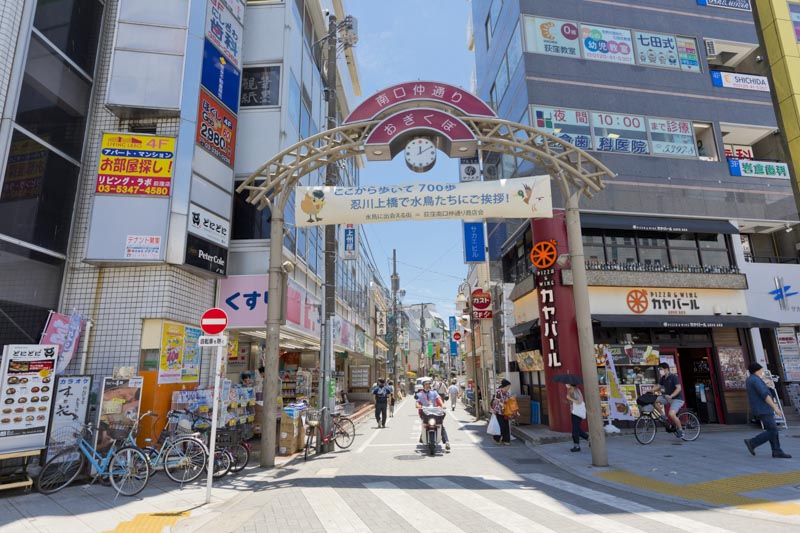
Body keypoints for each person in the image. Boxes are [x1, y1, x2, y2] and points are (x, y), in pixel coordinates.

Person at [744, 363, 791, 458]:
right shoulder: (756, 380)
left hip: (759, 408)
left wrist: (767, 385)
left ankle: (776, 450)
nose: (762, 371)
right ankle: (752, 442)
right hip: (764, 408)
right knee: (773, 430)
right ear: (757, 370)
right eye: (761, 369)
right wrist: (775, 407)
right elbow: (764, 395)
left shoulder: (750, 379)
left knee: (772, 429)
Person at [415, 379, 450, 451]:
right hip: (425, 413)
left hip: (434, 412)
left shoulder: (434, 392)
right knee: (424, 424)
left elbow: (439, 399)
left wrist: (442, 405)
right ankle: (423, 437)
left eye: (429, 384)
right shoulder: (419, 394)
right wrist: (418, 406)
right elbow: (417, 403)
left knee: (440, 424)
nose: (428, 385)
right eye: (426, 384)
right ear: (423, 385)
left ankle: (446, 441)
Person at [657, 362, 684, 439]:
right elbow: (658, 386)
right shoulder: (663, 378)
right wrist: (650, 390)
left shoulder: (673, 377)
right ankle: (663, 416)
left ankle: (681, 430)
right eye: (659, 370)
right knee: (654, 400)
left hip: (677, 399)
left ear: (666, 369)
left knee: (671, 414)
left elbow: (678, 388)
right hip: (667, 398)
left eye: (661, 369)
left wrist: (671, 396)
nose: (660, 371)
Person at [565, 383, 589, 452]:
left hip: (578, 412)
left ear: (570, 384)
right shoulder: (570, 391)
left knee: (575, 429)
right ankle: (589, 439)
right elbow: (572, 402)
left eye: (567, 384)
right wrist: (568, 401)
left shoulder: (576, 391)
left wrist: (570, 398)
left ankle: (577, 446)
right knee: (577, 428)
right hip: (574, 411)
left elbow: (579, 401)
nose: (565, 385)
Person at [491, 379, 513, 445]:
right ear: (505, 386)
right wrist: (494, 409)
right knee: (501, 426)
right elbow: (496, 401)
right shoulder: (498, 392)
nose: (509, 388)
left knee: (506, 426)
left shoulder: (507, 393)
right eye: (508, 386)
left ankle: (506, 440)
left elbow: (508, 400)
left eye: (509, 386)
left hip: (505, 411)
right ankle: (496, 439)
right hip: (499, 411)